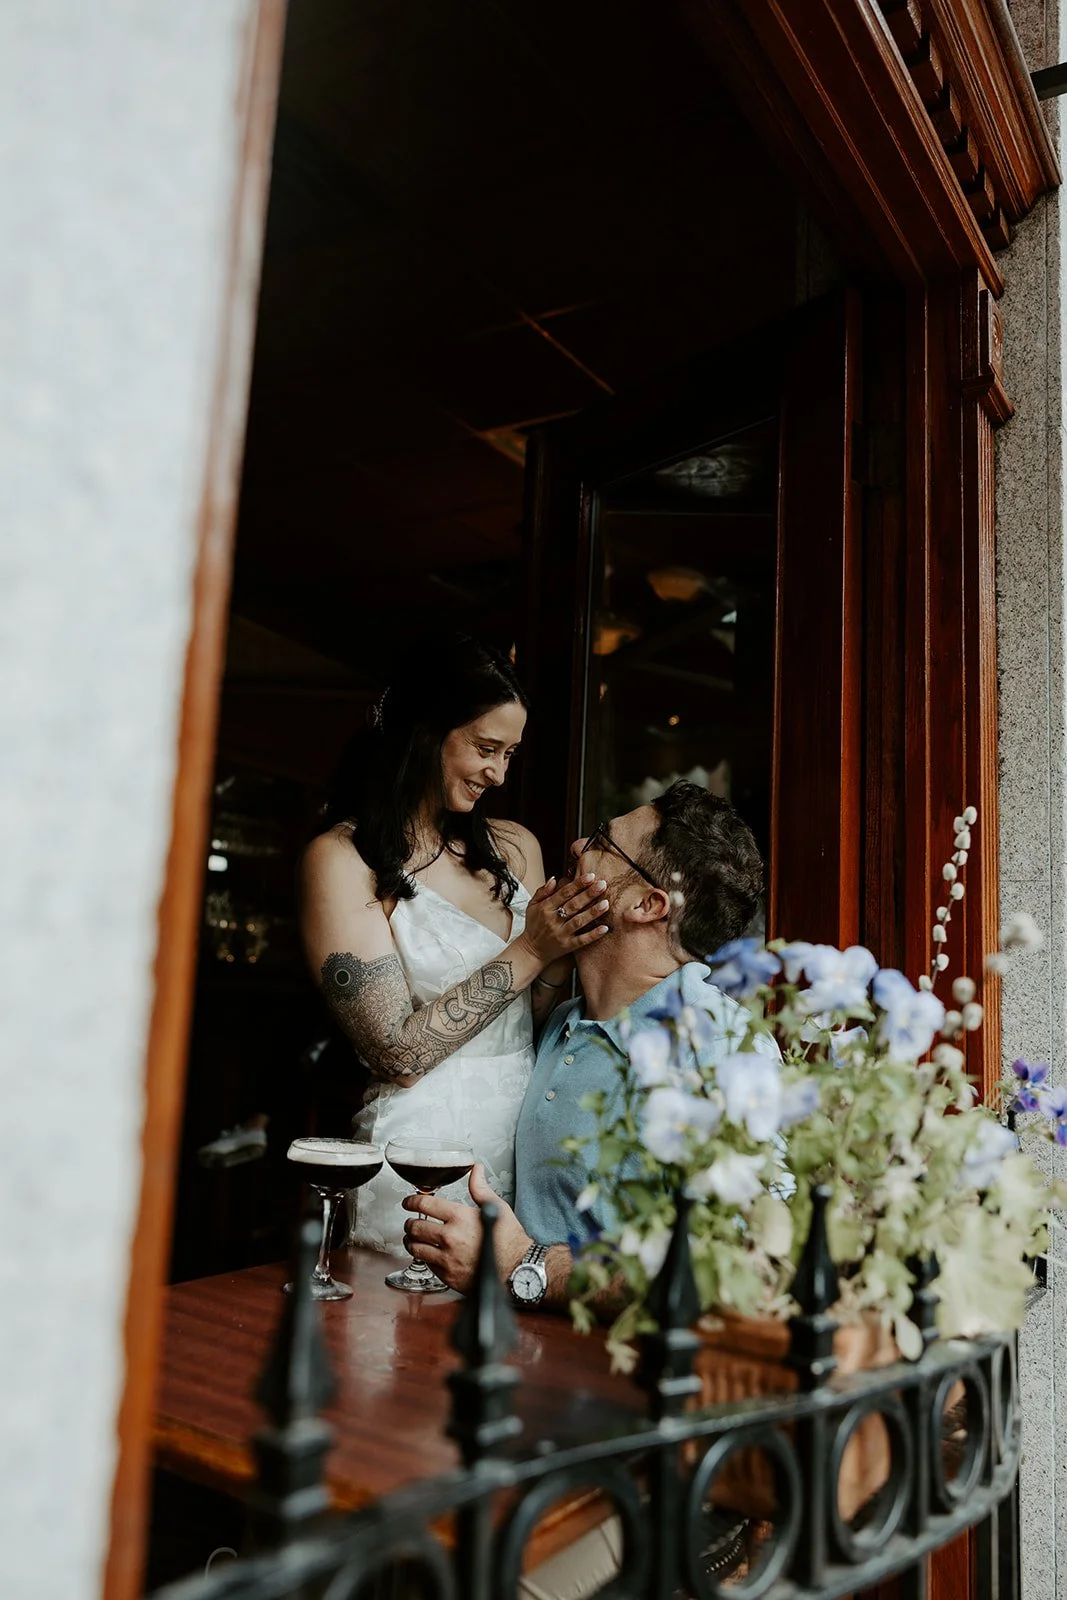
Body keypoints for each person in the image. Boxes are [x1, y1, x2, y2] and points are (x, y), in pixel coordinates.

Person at [399, 780, 773, 1303]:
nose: (576, 847)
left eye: (602, 840)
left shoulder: (722, 1047)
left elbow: (741, 1263)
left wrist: (523, 1266)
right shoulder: (566, 1019)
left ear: (646, 904)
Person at [299, 632, 610, 1255]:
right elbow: (398, 1056)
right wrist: (533, 947)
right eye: (485, 748)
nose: (498, 773)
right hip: (422, 1150)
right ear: (423, 732)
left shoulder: (515, 846)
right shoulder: (342, 859)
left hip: (528, 1142)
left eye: (510, 754)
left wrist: (562, 950)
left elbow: (532, 1017)